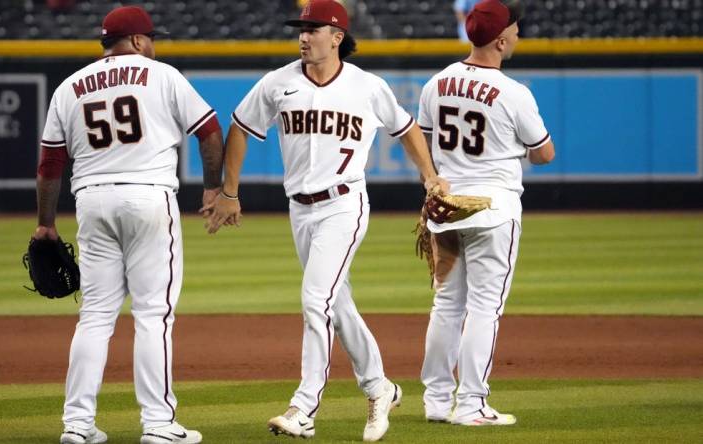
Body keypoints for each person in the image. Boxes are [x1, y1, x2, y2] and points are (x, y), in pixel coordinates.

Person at [205, 1, 448, 441]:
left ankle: (305, 408)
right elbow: (240, 127)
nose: (303, 36)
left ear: (336, 37)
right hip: (300, 209)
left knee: (316, 298)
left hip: (344, 203)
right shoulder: (278, 82)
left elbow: (407, 128)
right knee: (337, 303)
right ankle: (381, 387)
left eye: (313, 29)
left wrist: (430, 176)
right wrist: (229, 191)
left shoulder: (366, 87)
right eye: (300, 28)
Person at [34, 5, 223, 444]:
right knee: (153, 315)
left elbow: (49, 164)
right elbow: (209, 131)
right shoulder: (162, 75)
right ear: (138, 41)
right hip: (148, 197)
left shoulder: (69, 87)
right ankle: (158, 425)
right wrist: (213, 188)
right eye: (149, 38)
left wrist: (45, 224)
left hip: (92, 201)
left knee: (95, 317)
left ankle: (77, 426)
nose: (152, 45)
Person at [417, 0, 554, 426]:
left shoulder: (436, 83)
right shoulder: (514, 92)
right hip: (493, 209)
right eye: (514, 28)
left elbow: (424, 144)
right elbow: (545, 153)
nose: (517, 34)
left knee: (446, 305)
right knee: (483, 307)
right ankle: (471, 404)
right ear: (500, 39)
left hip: (448, 207)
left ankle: (437, 402)